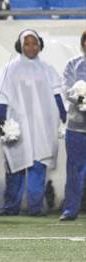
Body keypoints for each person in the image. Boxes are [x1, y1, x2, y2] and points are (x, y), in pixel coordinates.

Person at [0, 29, 66, 216]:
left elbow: (58, 94)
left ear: (40, 45)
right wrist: (1, 120)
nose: (31, 47)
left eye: (34, 43)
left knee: (38, 166)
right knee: (15, 166)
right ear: (20, 46)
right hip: (18, 127)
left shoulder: (47, 69)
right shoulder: (10, 69)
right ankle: (11, 207)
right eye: (27, 43)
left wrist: (64, 118)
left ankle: (36, 208)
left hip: (43, 127)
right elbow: (2, 96)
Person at [60, 30, 86, 221]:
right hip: (76, 127)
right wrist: (80, 97)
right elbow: (66, 89)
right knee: (74, 168)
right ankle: (70, 209)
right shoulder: (73, 64)